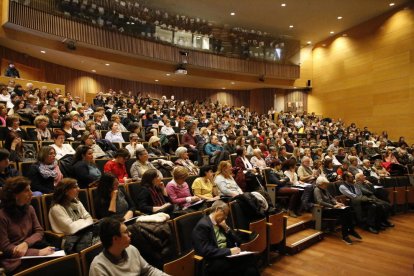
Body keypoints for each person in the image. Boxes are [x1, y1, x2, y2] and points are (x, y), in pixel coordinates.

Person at [0, 177, 55, 273]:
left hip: (32, 250)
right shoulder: (2, 215)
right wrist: (38, 253)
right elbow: (5, 248)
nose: (31, 193)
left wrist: (26, 244)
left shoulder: (30, 209)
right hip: (14, 260)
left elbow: (39, 231)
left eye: (30, 189)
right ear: (15, 195)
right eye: (26, 190)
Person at [191, 200, 260, 276]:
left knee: (250, 261)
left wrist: (227, 229)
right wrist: (229, 251)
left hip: (226, 255)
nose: (226, 217)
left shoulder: (221, 223)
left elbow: (239, 241)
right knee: (247, 264)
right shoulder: (203, 225)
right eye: (225, 214)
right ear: (218, 209)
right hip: (213, 260)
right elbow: (205, 250)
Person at [89, 217, 168, 276]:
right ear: (115, 239)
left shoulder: (131, 249)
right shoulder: (98, 267)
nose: (130, 233)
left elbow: (148, 271)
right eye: (126, 232)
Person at [48, 178, 95, 252]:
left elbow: (90, 219)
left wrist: (79, 223)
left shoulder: (77, 202)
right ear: (66, 191)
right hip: (70, 241)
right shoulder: (56, 208)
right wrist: (83, 220)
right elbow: (71, 228)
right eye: (75, 187)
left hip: (85, 234)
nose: (78, 189)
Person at [314, 176, 362, 244]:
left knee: (347, 209)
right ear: (320, 184)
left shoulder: (325, 189)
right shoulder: (317, 190)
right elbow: (320, 202)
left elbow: (331, 198)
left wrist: (337, 202)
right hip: (324, 210)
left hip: (331, 208)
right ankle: (348, 233)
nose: (326, 185)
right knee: (344, 213)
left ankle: (348, 232)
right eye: (325, 184)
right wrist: (333, 206)